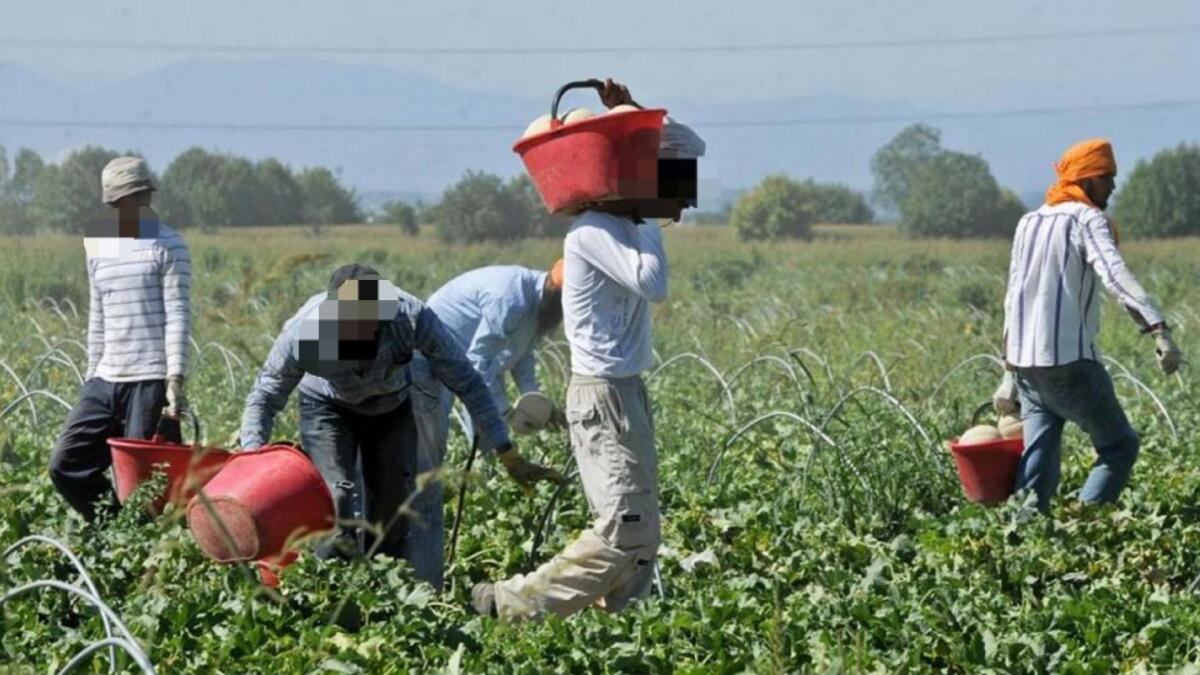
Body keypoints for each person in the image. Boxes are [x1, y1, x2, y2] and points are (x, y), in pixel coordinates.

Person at [472, 79, 706, 621]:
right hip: (601, 396)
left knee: (642, 530)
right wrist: (648, 216)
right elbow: (654, 283)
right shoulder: (593, 230)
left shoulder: (622, 225)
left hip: (626, 391)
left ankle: (620, 630)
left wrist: (633, 113)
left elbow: (690, 145)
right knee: (623, 528)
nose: (681, 204)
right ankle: (508, 604)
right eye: (669, 188)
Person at [238, 264, 560, 578]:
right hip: (328, 409)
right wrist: (253, 461)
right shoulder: (304, 332)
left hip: (390, 408)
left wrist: (506, 450)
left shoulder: (410, 317)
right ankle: (332, 595)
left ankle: (382, 595)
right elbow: (265, 396)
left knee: (393, 513)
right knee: (337, 502)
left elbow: (467, 380)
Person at [993, 138, 1182, 513]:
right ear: (1086, 179)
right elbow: (1115, 274)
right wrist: (1158, 330)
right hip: (1070, 363)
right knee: (1119, 446)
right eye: (1107, 177)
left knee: (1039, 458)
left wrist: (1009, 371)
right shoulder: (1087, 219)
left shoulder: (1029, 222)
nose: (1113, 185)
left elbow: (1015, 295)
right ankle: (1085, 526)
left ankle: (1024, 538)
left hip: (1029, 366)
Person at [408, 262, 567, 590]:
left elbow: (522, 358)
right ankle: (420, 575)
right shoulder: (508, 298)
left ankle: (440, 556)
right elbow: (478, 366)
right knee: (424, 467)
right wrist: (504, 415)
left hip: (458, 364)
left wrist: (535, 403)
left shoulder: (536, 307)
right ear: (557, 295)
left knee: (480, 446)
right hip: (427, 362)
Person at [49, 156, 190, 521]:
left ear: (144, 197)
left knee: (144, 489)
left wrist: (174, 380)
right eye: (115, 204)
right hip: (106, 378)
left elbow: (177, 314)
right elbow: (98, 314)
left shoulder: (169, 244)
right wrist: (91, 374)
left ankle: (142, 551)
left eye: (129, 201)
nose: (122, 209)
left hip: (149, 380)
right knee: (66, 464)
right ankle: (114, 532)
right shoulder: (98, 245)